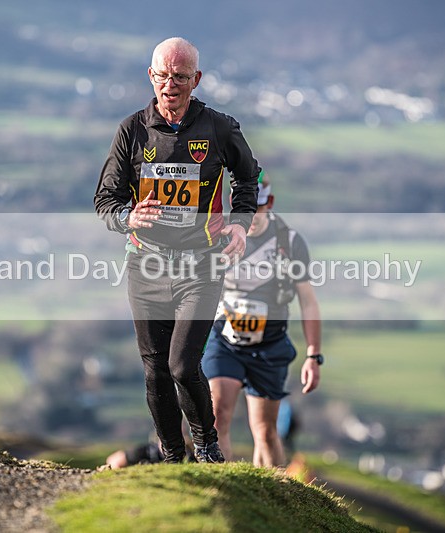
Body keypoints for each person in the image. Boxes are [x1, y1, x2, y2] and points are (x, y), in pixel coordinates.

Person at [94, 37, 260, 463]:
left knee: (183, 366)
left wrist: (240, 225)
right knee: (155, 371)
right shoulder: (132, 130)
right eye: (164, 75)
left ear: (196, 80)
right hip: (145, 265)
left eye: (181, 77)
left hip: (201, 265)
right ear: (151, 76)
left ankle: (206, 447)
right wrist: (127, 218)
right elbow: (105, 200)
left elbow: (248, 178)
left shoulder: (219, 127)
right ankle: (171, 456)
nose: (171, 85)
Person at [202, 172, 322, 467]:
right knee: (217, 418)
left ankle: (275, 498)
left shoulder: (289, 242)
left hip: (269, 343)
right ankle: (222, 492)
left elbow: (308, 301)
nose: (252, 216)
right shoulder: (218, 237)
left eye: (258, 208)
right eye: (245, 209)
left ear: (270, 204)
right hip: (225, 338)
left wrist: (313, 355)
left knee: (265, 431)